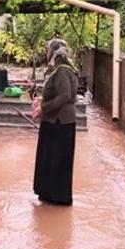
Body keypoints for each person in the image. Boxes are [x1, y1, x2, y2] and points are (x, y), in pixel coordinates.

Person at [31, 38, 78, 205]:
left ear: (54, 53)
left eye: (48, 50)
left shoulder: (62, 72)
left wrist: (44, 107)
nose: (46, 53)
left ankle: (57, 197)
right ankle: (50, 194)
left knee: (56, 159)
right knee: (51, 159)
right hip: (55, 121)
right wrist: (43, 101)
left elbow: (65, 96)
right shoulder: (60, 70)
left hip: (59, 123)